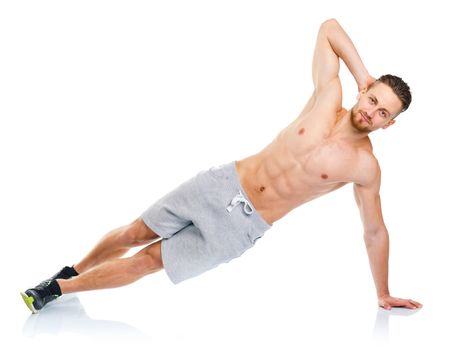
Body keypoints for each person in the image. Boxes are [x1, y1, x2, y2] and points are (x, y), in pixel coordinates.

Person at [21, 18, 422, 313]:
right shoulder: (326, 96)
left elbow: (374, 231)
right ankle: (74, 269)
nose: (372, 113)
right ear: (365, 92)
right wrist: (364, 73)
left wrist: (382, 292)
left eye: (383, 113)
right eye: (373, 100)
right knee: (134, 231)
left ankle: (57, 289)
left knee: (148, 261)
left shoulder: (364, 167)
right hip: (222, 183)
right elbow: (329, 28)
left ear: (390, 123)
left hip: (242, 226)